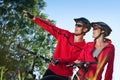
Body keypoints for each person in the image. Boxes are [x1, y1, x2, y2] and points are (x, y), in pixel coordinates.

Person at [23, 10, 91, 80]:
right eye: (76, 25)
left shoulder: (83, 48)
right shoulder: (64, 34)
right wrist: (33, 18)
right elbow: (50, 27)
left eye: (79, 25)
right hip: (51, 70)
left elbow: (71, 59)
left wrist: (59, 60)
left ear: (85, 29)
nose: (76, 27)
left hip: (64, 76)